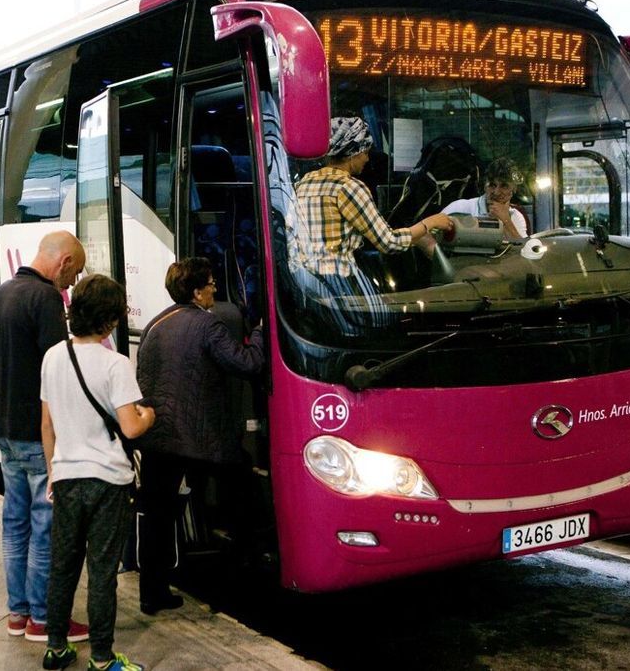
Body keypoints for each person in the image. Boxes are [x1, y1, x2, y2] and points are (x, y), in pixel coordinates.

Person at [0, 230, 89, 643]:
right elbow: (58, 367)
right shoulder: (45, 300)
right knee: (44, 525)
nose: (72, 282)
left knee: (14, 522)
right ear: (62, 263)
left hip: (1, 428)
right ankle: (43, 618)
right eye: (73, 273)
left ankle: (18, 614)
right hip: (34, 432)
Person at [134, 257, 265, 615]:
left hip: (158, 438)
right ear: (196, 291)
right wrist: (261, 332)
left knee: (158, 516)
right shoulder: (209, 326)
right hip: (200, 439)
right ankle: (243, 574)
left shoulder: (155, 324)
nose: (215, 289)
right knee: (243, 487)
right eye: (210, 284)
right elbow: (247, 363)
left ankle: (152, 592)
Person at [40, 274, 155, 671]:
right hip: (108, 481)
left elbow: (47, 424)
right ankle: (103, 660)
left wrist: (53, 471)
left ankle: (56, 648)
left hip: (67, 477)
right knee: (102, 571)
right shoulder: (115, 364)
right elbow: (131, 427)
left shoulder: (53, 356)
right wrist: (150, 414)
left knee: (63, 565)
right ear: (110, 320)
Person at [291, 116, 454, 281]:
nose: (367, 159)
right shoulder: (349, 187)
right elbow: (389, 242)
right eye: (365, 153)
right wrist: (430, 223)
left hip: (304, 280)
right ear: (352, 153)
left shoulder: (304, 182)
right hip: (338, 282)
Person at [441, 156, 528, 238]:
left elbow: (525, 251)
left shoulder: (516, 216)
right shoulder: (460, 208)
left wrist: (506, 220)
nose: (497, 192)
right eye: (492, 185)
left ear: (514, 189)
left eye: (504, 186)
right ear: (484, 186)